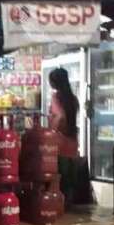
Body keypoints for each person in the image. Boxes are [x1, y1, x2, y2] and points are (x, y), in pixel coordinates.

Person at [48, 68, 80, 203]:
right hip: (73, 142)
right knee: (70, 181)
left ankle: (61, 209)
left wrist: (52, 131)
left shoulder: (56, 97)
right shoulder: (73, 99)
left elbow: (60, 116)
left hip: (60, 142)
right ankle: (70, 212)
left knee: (60, 179)